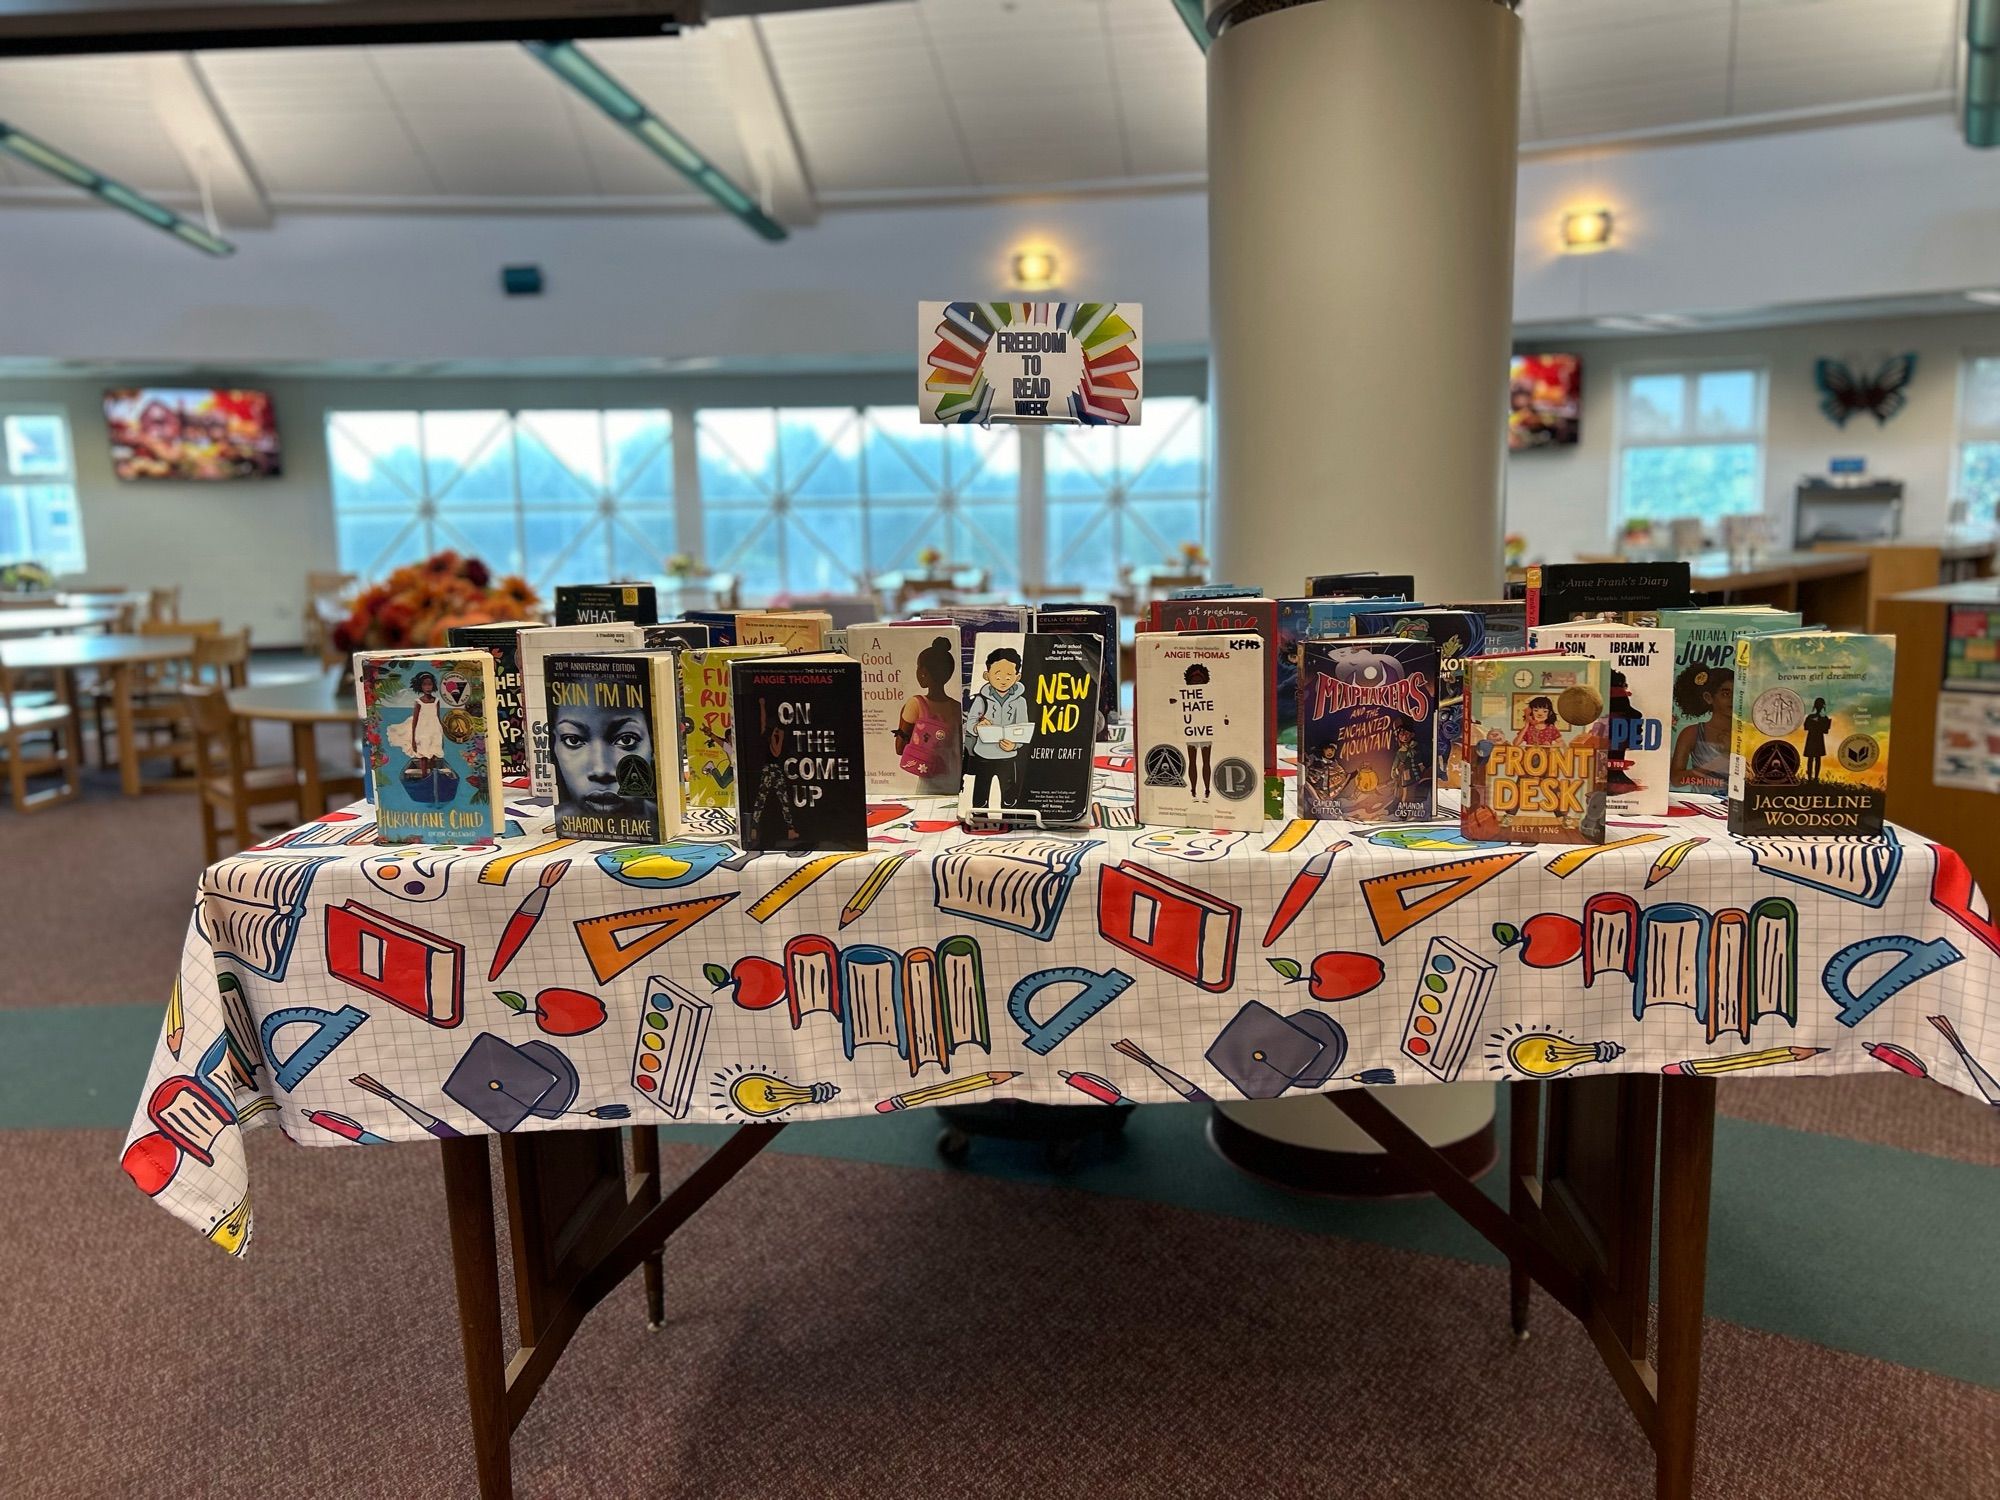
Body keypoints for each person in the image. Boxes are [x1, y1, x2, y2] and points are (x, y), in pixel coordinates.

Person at [552, 687, 655, 830]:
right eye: (573, 740)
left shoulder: (666, 823)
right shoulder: (555, 827)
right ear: (554, 746)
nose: (600, 771)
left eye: (626, 740)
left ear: (654, 744)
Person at [894, 635, 963, 795]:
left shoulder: (916, 704)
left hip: (929, 778)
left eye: (919, 667)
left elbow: (899, 748)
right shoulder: (957, 707)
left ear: (924, 671)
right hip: (955, 777)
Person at [964, 645, 1029, 813]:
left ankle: (1009, 818)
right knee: (980, 797)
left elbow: (1023, 728)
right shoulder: (981, 699)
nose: (1003, 679)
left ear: (1017, 677)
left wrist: (1015, 745)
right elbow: (969, 724)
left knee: (1009, 798)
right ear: (987, 675)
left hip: (1008, 756)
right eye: (997, 674)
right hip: (983, 754)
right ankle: (979, 817)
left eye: (1009, 675)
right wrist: (978, 727)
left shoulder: (1020, 702)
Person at [1670, 665, 1733, 791]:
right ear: (1708, 698)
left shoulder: (1748, 734)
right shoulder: (1692, 733)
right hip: (1702, 804)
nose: (1733, 699)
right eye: (1725, 693)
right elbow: (1676, 780)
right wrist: (1717, 763)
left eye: (1738, 693)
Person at [386, 670, 447, 775]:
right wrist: (413, 739)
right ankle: (424, 775)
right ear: (421, 686)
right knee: (423, 754)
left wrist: (442, 732)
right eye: (425, 685)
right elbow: (415, 721)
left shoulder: (436, 701)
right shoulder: (418, 702)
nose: (428, 687)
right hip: (422, 731)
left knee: (433, 753)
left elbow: (437, 716)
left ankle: (432, 774)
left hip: (434, 730)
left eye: (430, 684)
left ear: (433, 685)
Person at [1180, 662, 1217, 800]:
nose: (1196, 684)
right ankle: (1194, 789)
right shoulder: (1185, 696)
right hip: (1192, 730)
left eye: (1199, 681)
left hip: (1205, 730)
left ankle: (1206, 789)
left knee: (1205, 762)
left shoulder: (1209, 695)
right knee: (1192, 761)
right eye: (1194, 681)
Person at [1802, 696, 1832, 781]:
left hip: (1817, 738)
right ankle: (1810, 779)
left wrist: (1820, 724)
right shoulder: (1811, 717)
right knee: (1811, 758)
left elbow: (1825, 731)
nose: (1819, 706)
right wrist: (1817, 724)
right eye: (1818, 705)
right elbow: (1806, 727)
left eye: (1820, 705)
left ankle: (1815, 778)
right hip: (1813, 738)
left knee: (1817, 758)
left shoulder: (1824, 718)